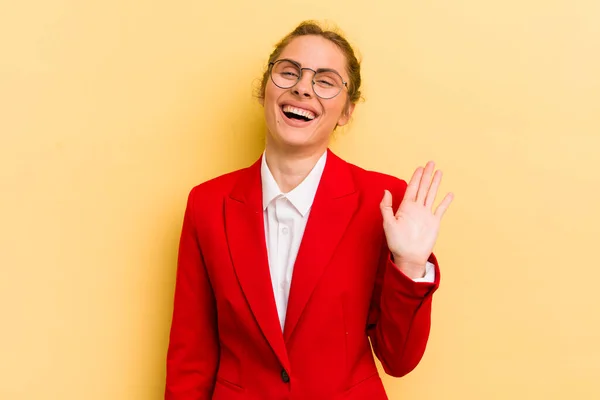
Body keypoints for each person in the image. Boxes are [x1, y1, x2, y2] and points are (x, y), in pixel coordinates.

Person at [165, 20, 453, 400]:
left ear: (347, 110)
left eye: (326, 81)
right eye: (289, 72)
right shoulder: (207, 204)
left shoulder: (383, 203)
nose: (302, 87)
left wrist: (411, 267)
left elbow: (399, 360)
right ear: (265, 88)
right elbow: (191, 356)